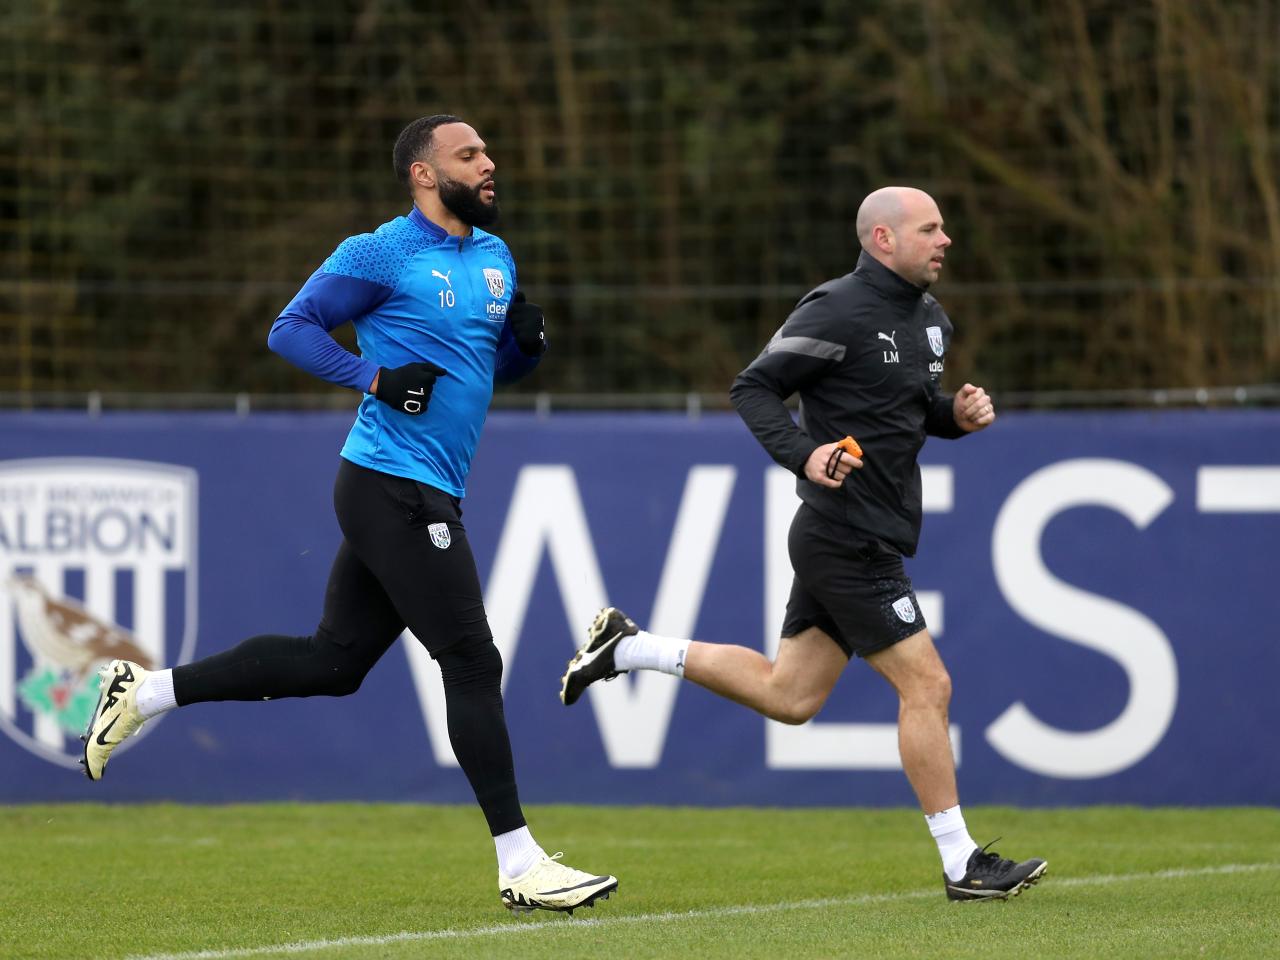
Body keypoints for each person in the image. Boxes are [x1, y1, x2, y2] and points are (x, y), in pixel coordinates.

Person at [81, 114, 617, 916]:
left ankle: (144, 691)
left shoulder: (496, 256)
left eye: (487, 151)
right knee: (472, 658)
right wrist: (373, 378)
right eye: (469, 154)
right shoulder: (381, 252)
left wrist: (525, 351)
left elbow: (483, 369)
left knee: (334, 664)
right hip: (390, 482)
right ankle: (520, 863)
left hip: (423, 483)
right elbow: (289, 329)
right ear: (424, 175)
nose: (490, 162)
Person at [561, 186, 1046, 902]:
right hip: (843, 532)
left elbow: (906, 412)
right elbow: (753, 387)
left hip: (863, 531)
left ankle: (628, 648)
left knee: (791, 697)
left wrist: (956, 416)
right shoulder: (838, 307)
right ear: (882, 239)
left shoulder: (931, 319)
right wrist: (805, 454)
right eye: (930, 228)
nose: (946, 240)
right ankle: (961, 862)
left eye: (945, 227)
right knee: (928, 686)